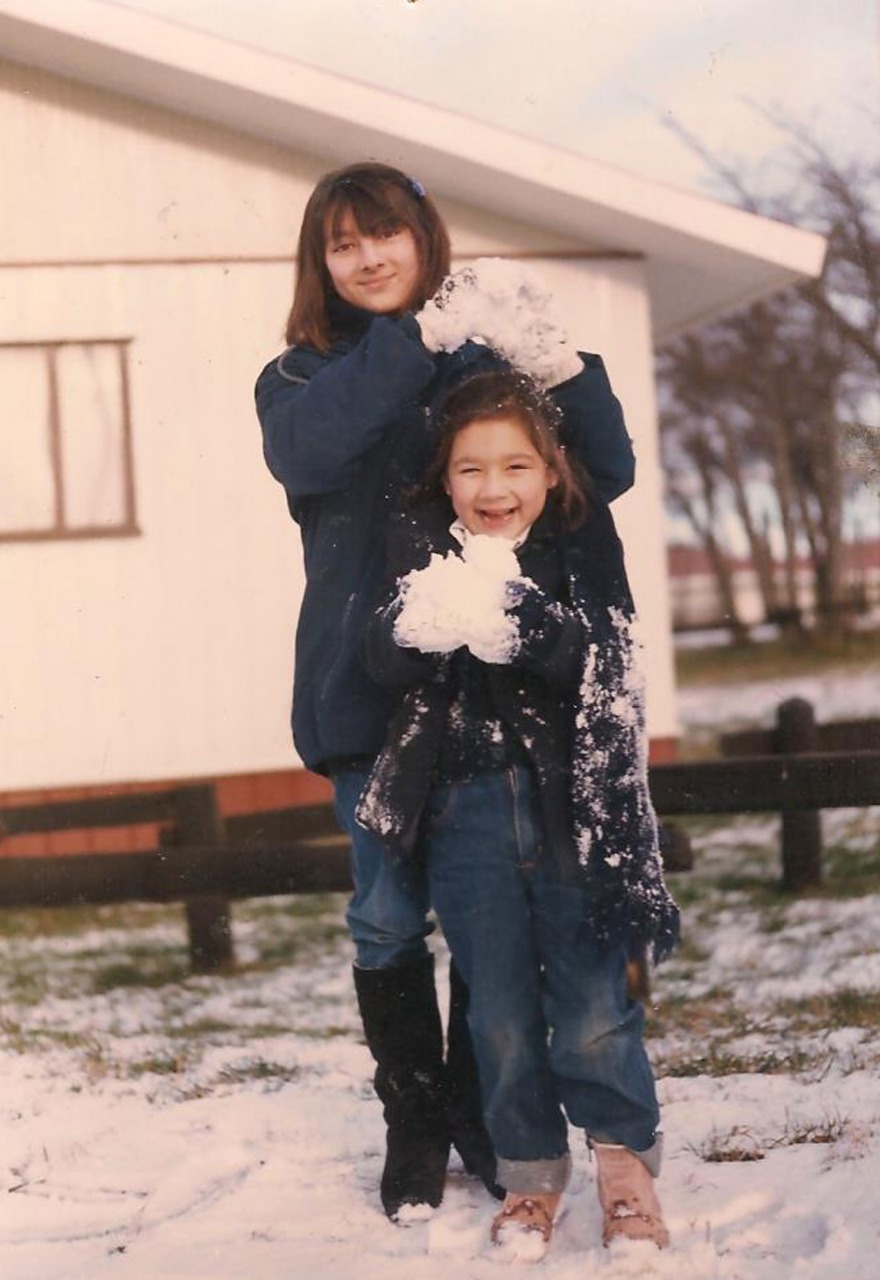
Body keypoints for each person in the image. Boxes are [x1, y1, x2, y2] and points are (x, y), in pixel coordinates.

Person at [254, 160, 637, 1220]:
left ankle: (479, 1106)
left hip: (486, 690)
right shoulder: (297, 379)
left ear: (425, 242)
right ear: (320, 262)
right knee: (385, 916)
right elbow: (310, 454)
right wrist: (413, 340)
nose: (368, 257)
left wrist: (560, 364)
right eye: (343, 243)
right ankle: (414, 1116)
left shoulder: (485, 362)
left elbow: (603, 468)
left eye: (386, 234)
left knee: (485, 912)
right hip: (362, 692)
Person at [357, 369, 679, 1258]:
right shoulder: (423, 546)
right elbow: (378, 657)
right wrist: (411, 629)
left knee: (596, 1004)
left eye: (514, 466)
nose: (492, 488)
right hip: (466, 816)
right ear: (445, 477)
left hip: (578, 812)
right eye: (470, 469)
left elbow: (608, 662)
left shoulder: (581, 539)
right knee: (497, 1014)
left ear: (550, 470)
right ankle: (532, 1174)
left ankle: (624, 1164)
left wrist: (535, 627)